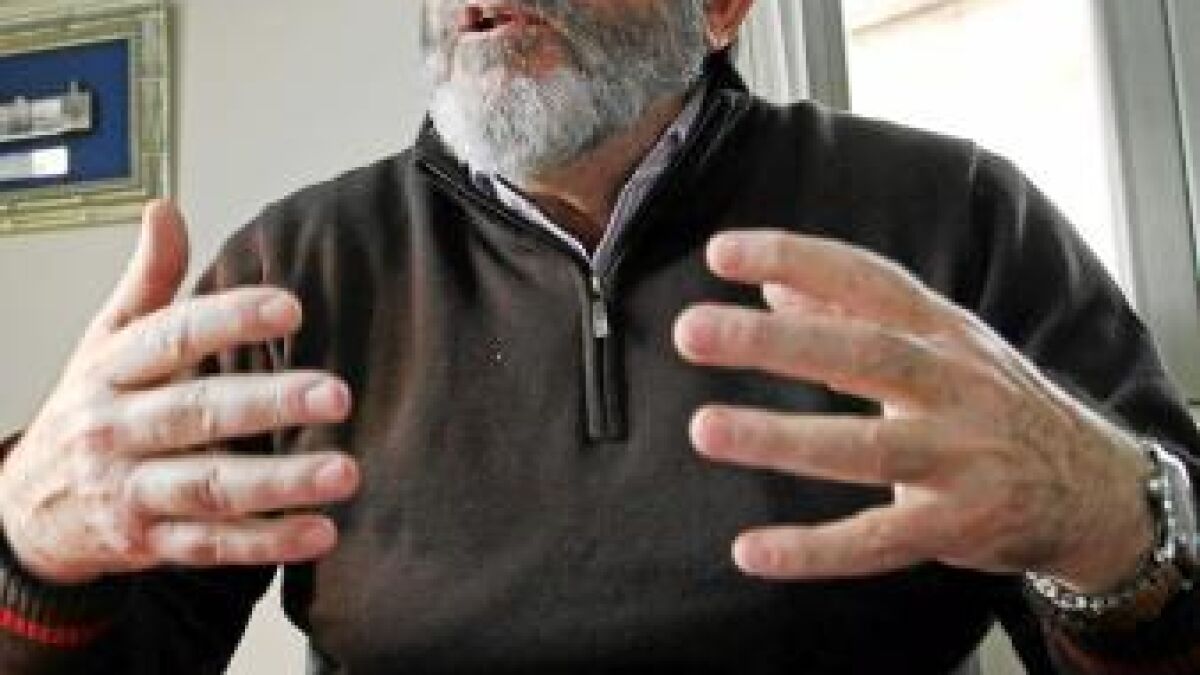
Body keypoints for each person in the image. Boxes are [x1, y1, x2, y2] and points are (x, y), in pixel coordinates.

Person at [1, 0, 1198, 672]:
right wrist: (30, 549)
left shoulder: (958, 219)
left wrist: (1115, 528)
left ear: (720, 6)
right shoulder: (293, 270)